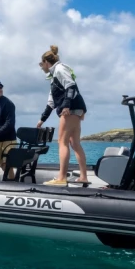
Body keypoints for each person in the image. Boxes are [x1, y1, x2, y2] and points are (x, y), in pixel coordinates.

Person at [37, 45, 89, 186]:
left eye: (42, 64)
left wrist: (66, 106)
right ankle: (83, 176)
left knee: (62, 142)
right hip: (75, 108)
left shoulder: (60, 69)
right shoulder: (54, 77)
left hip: (70, 108)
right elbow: (51, 103)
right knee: (74, 143)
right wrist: (42, 119)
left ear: (47, 63)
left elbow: (71, 86)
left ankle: (61, 178)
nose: (41, 67)